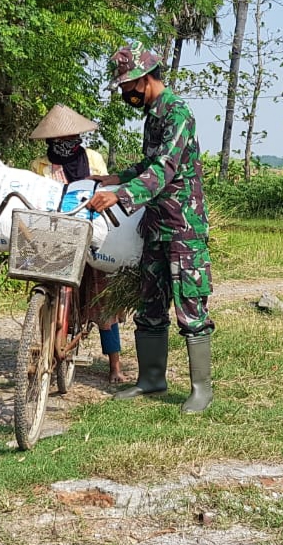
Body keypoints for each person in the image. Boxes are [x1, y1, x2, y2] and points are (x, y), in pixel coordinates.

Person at [85, 43, 215, 414]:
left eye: (128, 87)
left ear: (143, 79)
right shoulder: (153, 117)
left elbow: (164, 170)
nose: (126, 94)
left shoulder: (178, 113)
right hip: (155, 226)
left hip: (183, 228)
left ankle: (201, 390)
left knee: (190, 304)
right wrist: (116, 177)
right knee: (150, 303)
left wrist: (120, 196)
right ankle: (151, 380)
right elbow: (148, 162)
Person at [29, 104, 127, 384]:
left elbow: (103, 192)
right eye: (58, 140)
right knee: (49, 292)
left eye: (70, 139)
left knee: (102, 300)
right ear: (50, 141)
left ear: (78, 139)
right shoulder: (40, 165)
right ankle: (47, 346)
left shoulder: (93, 159)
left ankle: (114, 365)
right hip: (55, 238)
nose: (64, 144)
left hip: (88, 234)